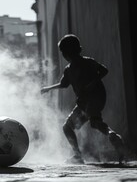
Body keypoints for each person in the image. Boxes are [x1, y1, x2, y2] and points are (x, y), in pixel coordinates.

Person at [41, 34, 125, 164]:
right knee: (76, 125)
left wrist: (47, 88)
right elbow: (104, 70)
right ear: (79, 49)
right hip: (87, 101)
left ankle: (83, 151)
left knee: (73, 126)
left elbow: (64, 85)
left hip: (91, 99)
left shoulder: (72, 68)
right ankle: (111, 137)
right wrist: (48, 88)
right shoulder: (85, 63)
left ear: (64, 54)